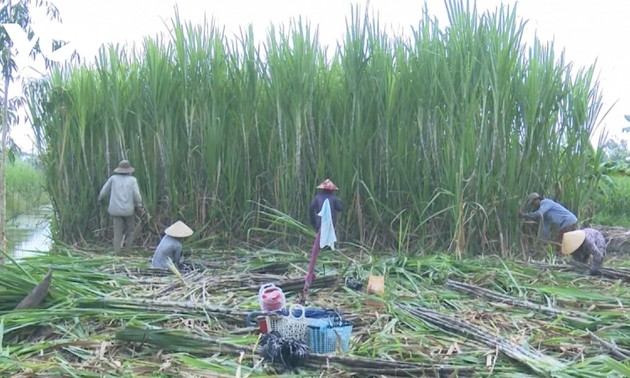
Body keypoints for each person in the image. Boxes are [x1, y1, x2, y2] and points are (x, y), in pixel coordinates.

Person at [98, 160, 143, 253]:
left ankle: (117, 253)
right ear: (129, 170)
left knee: (117, 233)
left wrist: (100, 199)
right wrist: (139, 204)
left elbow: (104, 191)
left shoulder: (113, 178)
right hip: (128, 211)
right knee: (130, 231)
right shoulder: (133, 180)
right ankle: (127, 251)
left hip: (115, 210)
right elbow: (136, 195)